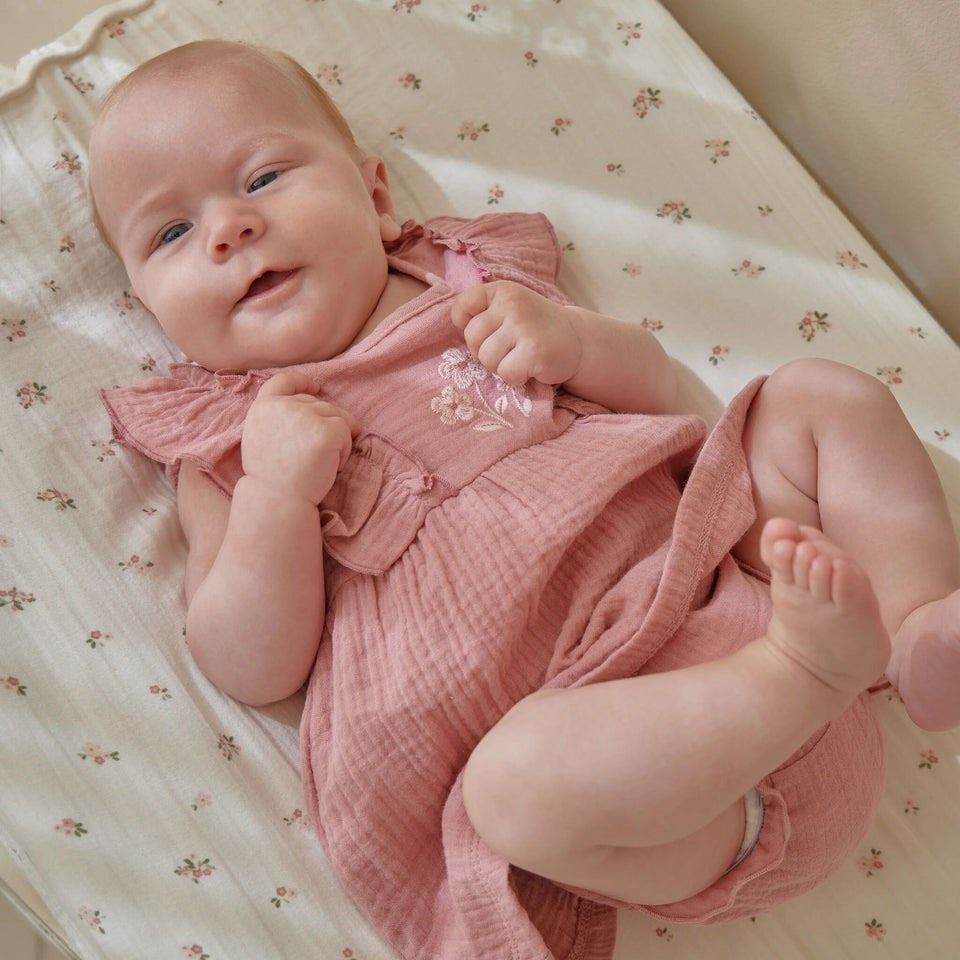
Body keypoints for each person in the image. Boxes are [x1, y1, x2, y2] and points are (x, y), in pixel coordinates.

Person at [90, 39, 960, 959]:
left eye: (263, 177)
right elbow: (247, 663)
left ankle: (912, 628)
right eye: (172, 234)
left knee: (820, 396)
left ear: (377, 197)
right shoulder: (224, 446)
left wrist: (575, 346)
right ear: (149, 304)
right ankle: (805, 673)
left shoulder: (468, 288)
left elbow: (660, 398)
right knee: (510, 792)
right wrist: (274, 495)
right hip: (683, 799)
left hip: (736, 582)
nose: (227, 228)